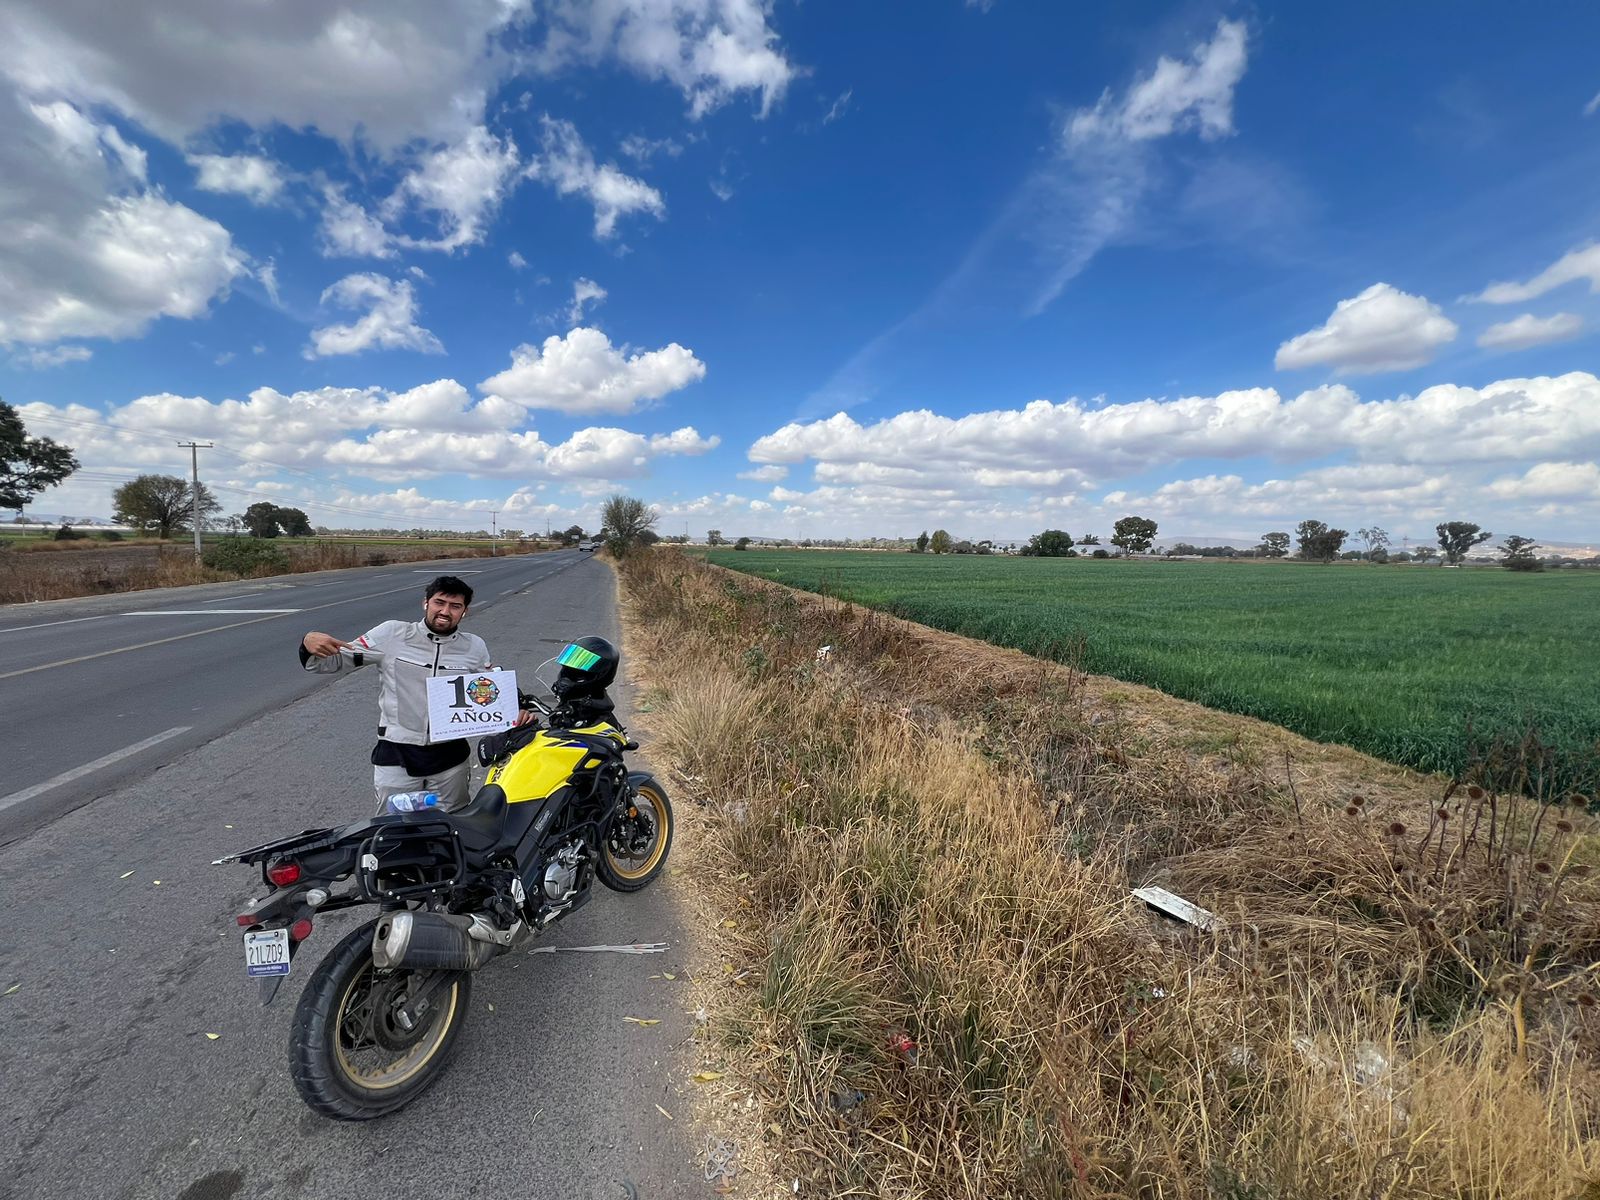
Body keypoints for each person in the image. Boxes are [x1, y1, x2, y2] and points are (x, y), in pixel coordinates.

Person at [298, 574, 525, 812]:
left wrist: (516, 709)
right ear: (425, 603)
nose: (445, 611)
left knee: (451, 830)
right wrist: (308, 642)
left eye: (455, 606)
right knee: (394, 831)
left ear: (464, 611)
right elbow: (330, 662)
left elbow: (486, 692)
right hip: (397, 753)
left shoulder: (474, 646)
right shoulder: (392, 634)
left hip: (450, 758)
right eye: (439, 602)